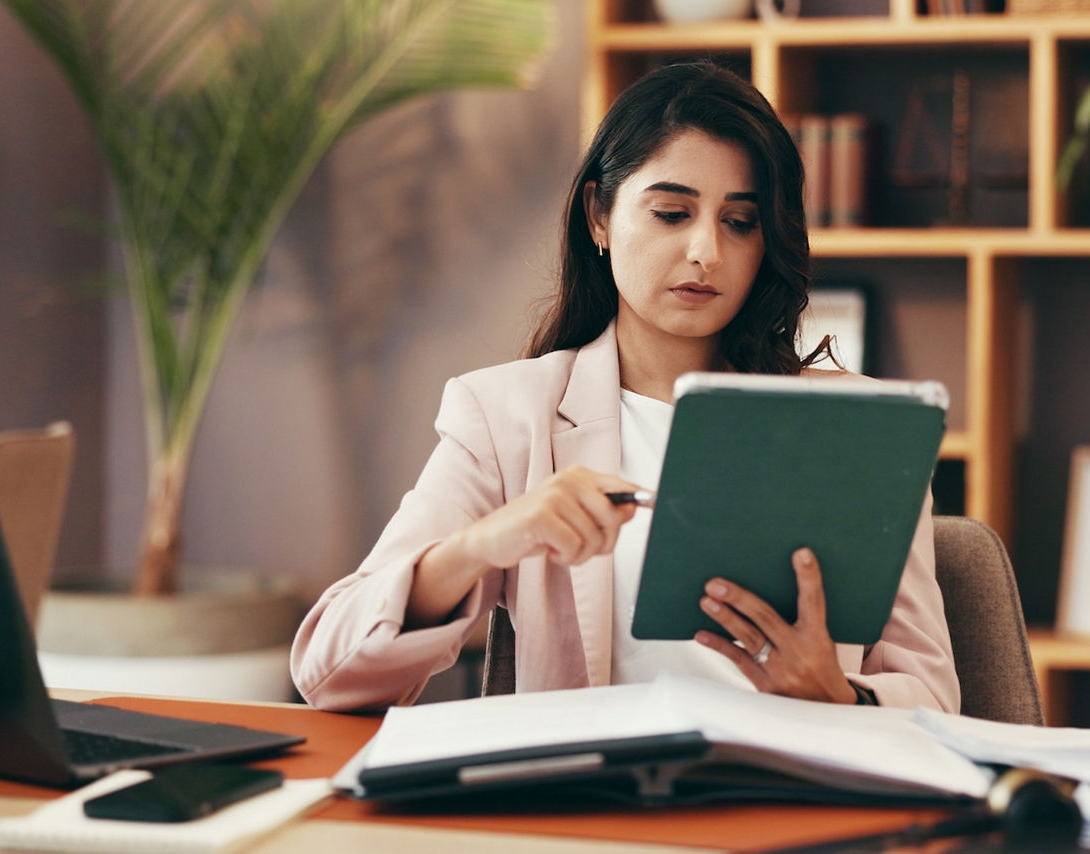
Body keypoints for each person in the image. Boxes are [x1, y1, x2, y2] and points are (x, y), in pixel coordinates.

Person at [290, 60, 959, 714]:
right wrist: (481, 545)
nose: (706, 252)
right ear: (600, 217)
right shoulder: (505, 418)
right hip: (601, 806)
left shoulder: (854, 427)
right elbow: (329, 671)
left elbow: (936, 698)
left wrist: (840, 694)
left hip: (800, 798)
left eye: (740, 222)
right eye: (672, 212)